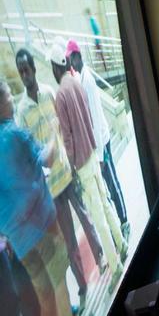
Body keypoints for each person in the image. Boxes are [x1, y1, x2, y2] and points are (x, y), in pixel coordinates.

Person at [16, 48, 104, 304]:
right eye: (20, 72)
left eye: (27, 70)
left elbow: (63, 126)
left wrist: (69, 158)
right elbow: (28, 151)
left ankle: (100, 257)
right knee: (68, 237)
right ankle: (82, 284)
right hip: (50, 187)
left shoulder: (49, 92)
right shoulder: (22, 110)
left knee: (86, 217)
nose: (24, 75)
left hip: (67, 171)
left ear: (33, 68)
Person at [50, 39, 126, 273]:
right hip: (93, 154)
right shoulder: (76, 83)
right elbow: (89, 119)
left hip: (81, 163)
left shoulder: (61, 94)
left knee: (97, 213)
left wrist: (71, 165)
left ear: (55, 67)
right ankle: (121, 244)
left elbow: (68, 138)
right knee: (105, 203)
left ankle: (116, 267)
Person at [0, 80, 73, 316]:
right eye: (9, 95)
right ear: (1, 102)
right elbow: (48, 159)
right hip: (43, 227)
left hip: (20, 244)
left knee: (45, 297)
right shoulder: (15, 135)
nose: (13, 99)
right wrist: (54, 131)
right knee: (59, 283)